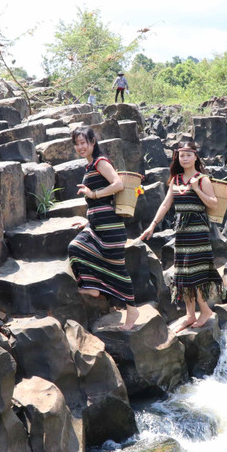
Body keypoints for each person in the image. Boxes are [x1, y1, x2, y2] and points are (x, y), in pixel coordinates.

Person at [140, 141, 222, 331]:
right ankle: (190, 314)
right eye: (181, 155)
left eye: (188, 155)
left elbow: (214, 204)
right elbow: (165, 205)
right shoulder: (176, 180)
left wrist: (197, 188)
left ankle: (205, 311)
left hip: (198, 233)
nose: (184, 159)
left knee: (196, 271)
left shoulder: (202, 179)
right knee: (183, 272)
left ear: (195, 157)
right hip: (182, 233)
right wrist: (152, 225)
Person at [67, 127, 139, 330]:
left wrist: (94, 194)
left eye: (84, 142)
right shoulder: (89, 167)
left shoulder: (101, 162)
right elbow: (94, 202)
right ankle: (92, 287)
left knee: (118, 268)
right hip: (97, 224)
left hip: (111, 226)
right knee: (75, 247)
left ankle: (132, 310)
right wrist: (87, 220)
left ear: (93, 142)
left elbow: (118, 185)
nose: (80, 147)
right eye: (77, 144)